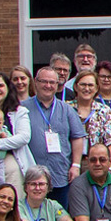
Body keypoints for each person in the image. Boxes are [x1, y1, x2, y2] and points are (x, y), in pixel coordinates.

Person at [23, 66, 88, 207]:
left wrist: (75, 165)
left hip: (61, 174)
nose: (48, 86)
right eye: (43, 81)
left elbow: (77, 137)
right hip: (31, 175)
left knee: (60, 215)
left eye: (52, 82)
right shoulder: (23, 109)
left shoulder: (67, 109)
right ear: (35, 82)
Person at [67, 71, 111, 166]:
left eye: (90, 85)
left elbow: (110, 141)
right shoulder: (66, 108)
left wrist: (109, 166)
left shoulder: (104, 110)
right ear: (76, 87)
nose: (87, 88)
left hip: (97, 163)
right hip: (70, 162)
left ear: (96, 88)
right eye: (83, 85)